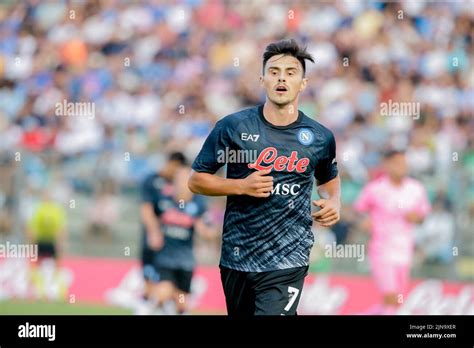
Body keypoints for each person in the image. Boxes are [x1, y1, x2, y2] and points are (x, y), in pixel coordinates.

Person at [188, 39, 341, 315]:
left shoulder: (320, 137)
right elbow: (197, 180)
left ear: (302, 84)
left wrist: (334, 202)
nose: (282, 77)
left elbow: (328, 180)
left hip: (288, 258)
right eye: (274, 71)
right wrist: (240, 186)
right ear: (263, 80)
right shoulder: (233, 127)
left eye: (291, 72)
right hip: (237, 256)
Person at [354, 149, 431, 314]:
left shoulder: (415, 188)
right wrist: (363, 222)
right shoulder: (375, 188)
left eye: (404, 163)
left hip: (404, 251)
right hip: (381, 250)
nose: (402, 167)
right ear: (387, 165)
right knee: (390, 297)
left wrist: (415, 217)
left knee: (396, 302)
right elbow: (356, 211)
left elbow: (423, 216)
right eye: (397, 163)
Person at [149, 166, 216, 314]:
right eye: (178, 179)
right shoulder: (164, 200)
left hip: (185, 261)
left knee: (181, 304)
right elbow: (151, 215)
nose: (180, 183)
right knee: (162, 293)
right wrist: (154, 232)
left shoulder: (198, 204)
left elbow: (210, 231)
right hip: (165, 258)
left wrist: (203, 230)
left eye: (184, 179)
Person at [139, 152, 187, 304]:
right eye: (176, 169)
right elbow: (146, 209)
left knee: (170, 284)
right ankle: (146, 304)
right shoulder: (152, 180)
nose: (176, 173)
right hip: (153, 237)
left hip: (172, 242)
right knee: (149, 276)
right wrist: (154, 232)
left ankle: (159, 306)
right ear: (171, 163)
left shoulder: (178, 184)